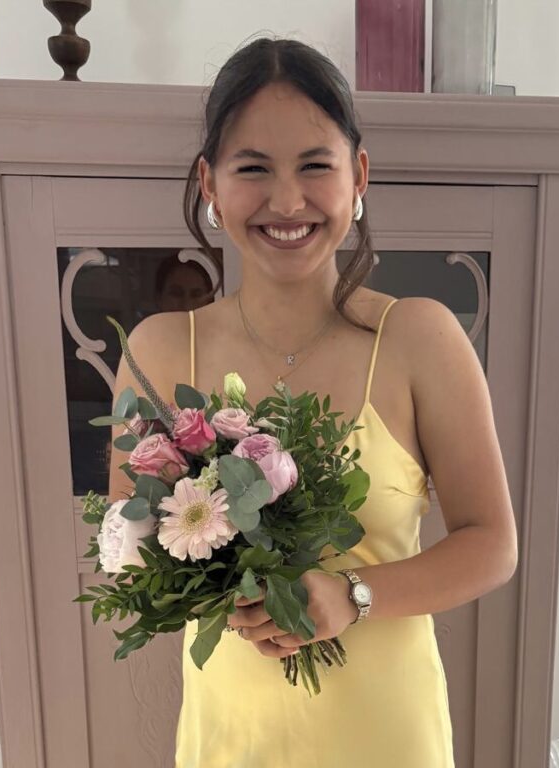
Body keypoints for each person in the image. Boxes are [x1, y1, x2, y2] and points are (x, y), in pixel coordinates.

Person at [107, 35, 519, 768]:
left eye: (315, 166)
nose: (287, 201)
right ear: (210, 183)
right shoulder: (163, 351)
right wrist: (214, 576)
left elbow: (492, 542)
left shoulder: (421, 338)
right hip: (234, 735)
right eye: (253, 169)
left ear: (358, 175)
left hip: (386, 734)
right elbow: (126, 547)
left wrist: (351, 593)